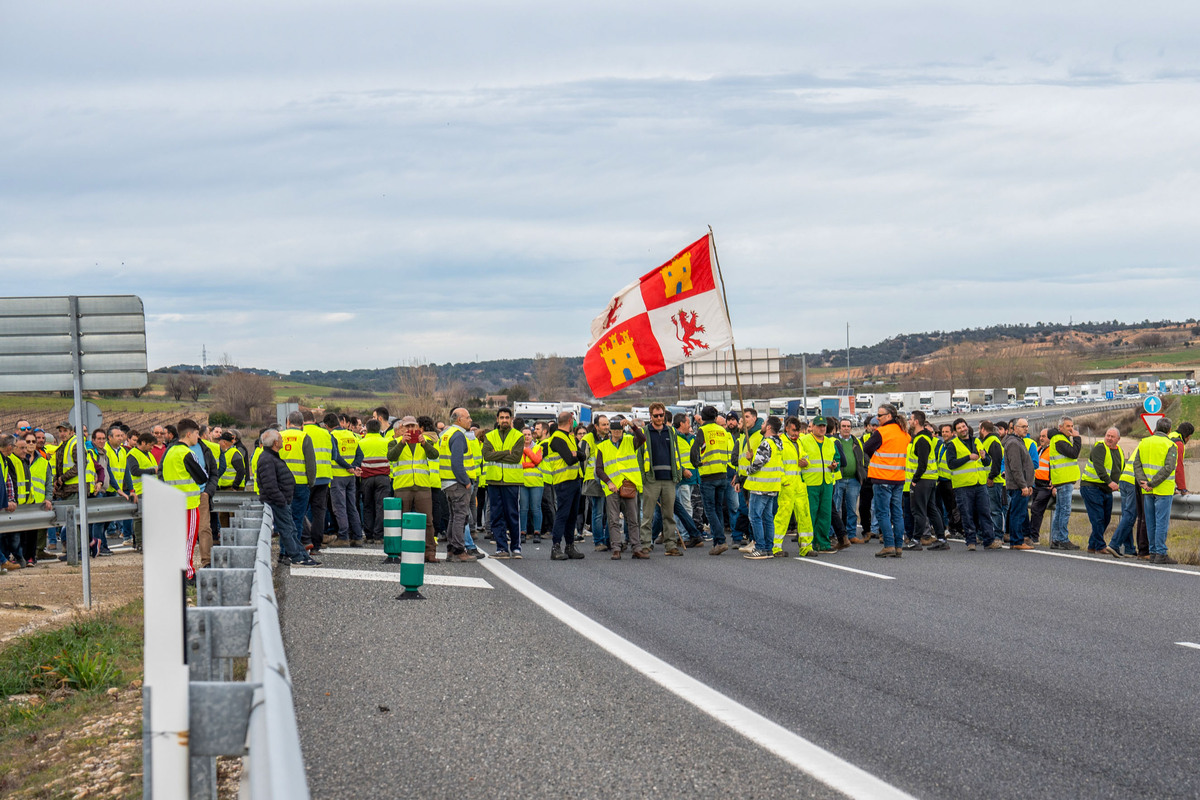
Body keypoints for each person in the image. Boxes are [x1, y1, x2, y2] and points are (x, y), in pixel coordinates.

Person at [256, 429, 318, 567]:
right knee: (287, 530)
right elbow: (270, 485)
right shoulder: (267, 459)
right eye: (280, 438)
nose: (283, 440)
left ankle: (301, 555)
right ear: (275, 442)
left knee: (292, 529)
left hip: (282, 501)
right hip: (278, 502)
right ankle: (296, 557)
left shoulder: (271, 457)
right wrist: (282, 501)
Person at [387, 416, 441, 563]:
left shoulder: (425, 441)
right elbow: (391, 457)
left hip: (422, 486)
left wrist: (424, 444)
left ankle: (430, 552)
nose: (410, 429)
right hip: (403, 486)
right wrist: (402, 444)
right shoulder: (394, 442)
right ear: (402, 428)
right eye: (407, 426)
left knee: (428, 520)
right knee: (402, 520)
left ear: (418, 428)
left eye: (413, 426)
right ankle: (401, 551)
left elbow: (434, 455)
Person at [637, 403, 687, 557]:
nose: (659, 418)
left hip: (669, 479)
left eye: (661, 415)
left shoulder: (671, 431)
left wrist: (678, 474)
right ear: (650, 416)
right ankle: (645, 544)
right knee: (647, 515)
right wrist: (644, 476)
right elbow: (640, 456)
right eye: (656, 415)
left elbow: (676, 453)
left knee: (669, 514)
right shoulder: (644, 432)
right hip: (651, 479)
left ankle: (670, 545)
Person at [692, 406, 741, 555]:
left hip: (708, 475)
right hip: (722, 473)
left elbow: (694, 452)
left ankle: (720, 540)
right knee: (718, 508)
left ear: (703, 417)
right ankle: (717, 542)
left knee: (710, 509)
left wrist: (697, 464)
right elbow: (731, 453)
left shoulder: (703, 430)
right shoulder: (723, 431)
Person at [595, 416, 646, 558]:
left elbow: (642, 438)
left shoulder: (630, 440)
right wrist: (608, 482)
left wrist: (632, 425)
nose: (617, 432)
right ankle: (616, 548)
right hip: (612, 487)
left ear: (623, 429)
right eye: (614, 429)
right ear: (610, 430)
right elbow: (599, 469)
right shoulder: (602, 447)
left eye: (620, 429)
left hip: (629, 484)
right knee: (613, 520)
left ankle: (636, 548)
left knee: (633, 519)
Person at [864, 405, 909, 557]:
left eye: (880, 415)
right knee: (897, 513)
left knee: (883, 513)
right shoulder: (904, 433)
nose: (877, 418)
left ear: (889, 416)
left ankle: (888, 545)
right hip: (898, 478)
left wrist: (877, 456)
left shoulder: (881, 432)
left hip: (882, 477)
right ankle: (898, 546)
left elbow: (867, 447)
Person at [945, 418, 996, 551]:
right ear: (956, 432)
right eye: (959, 428)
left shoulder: (977, 441)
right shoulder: (952, 445)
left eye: (964, 426)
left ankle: (989, 540)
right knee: (967, 514)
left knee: (985, 512)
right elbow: (951, 464)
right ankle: (971, 541)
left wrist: (984, 457)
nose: (963, 429)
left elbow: (987, 462)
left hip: (979, 483)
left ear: (967, 427)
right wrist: (968, 457)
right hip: (963, 485)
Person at [1133, 416, 1179, 564]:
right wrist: (1152, 483)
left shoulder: (1144, 443)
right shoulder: (1171, 445)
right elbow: (1169, 468)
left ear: (1156, 428)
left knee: (1151, 522)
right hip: (1163, 490)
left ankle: (1152, 552)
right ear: (1169, 430)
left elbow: (1137, 464)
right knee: (1161, 522)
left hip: (1147, 490)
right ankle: (1161, 553)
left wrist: (1144, 483)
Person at [483, 408, 525, 557]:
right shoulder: (489, 436)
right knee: (496, 515)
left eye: (507, 417)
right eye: (502, 417)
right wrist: (506, 452)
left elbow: (516, 457)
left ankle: (516, 547)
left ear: (511, 419)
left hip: (511, 481)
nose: (504, 420)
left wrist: (497, 454)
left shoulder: (518, 436)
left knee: (512, 515)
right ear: (497, 419)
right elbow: (487, 456)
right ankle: (501, 548)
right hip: (494, 480)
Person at [438, 408, 477, 562]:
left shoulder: (445, 434)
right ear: (459, 419)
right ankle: (458, 550)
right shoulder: (458, 435)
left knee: (454, 517)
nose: (470, 420)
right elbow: (457, 463)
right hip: (457, 483)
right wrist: (466, 482)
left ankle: (451, 549)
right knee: (461, 516)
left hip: (447, 482)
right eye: (468, 417)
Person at [544, 411, 585, 560]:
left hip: (575, 480)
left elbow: (583, 455)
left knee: (572, 516)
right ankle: (556, 547)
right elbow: (569, 459)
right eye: (573, 420)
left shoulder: (570, 437)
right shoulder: (557, 438)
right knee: (562, 515)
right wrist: (575, 455)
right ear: (570, 420)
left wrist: (576, 454)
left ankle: (570, 546)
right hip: (563, 481)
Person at [742, 415, 784, 560]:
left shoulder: (766, 443)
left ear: (769, 427)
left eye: (764, 423)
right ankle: (768, 548)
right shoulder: (779, 443)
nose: (762, 425)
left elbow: (758, 464)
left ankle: (760, 547)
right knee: (767, 518)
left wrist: (748, 467)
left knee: (755, 516)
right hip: (772, 486)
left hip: (761, 486)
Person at [773, 416, 814, 557]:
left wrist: (805, 462)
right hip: (787, 486)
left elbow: (805, 457)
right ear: (787, 428)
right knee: (782, 517)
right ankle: (776, 547)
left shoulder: (798, 443)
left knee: (804, 516)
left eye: (798, 431)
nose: (796, 433)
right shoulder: (780, 443)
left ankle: (806, 547)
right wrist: (784, 481)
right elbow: (777, 464)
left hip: (799, 485)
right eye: (794, 430)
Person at [905, 412, 944, 552]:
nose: (909, 421)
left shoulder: (921, 439)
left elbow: (922, 463)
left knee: (919, 511)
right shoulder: (925, 438)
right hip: (930, 479)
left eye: (910, 419)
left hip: (923, 480)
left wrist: (914, 480)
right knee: (931, 510)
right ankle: (941, 539)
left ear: (916, 422)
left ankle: (916, 540)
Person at [801, 416, 840, 552]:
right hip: (810, 482)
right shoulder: (804, 440)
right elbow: (797, 458)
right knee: (810, 514)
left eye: (824, 426)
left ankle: (823, 543)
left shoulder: (830, 442)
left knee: (825, 514)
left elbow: (837, 459)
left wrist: (836, 465)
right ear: (812, 427)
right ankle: (808, 543)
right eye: (819, 426)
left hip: (827, 482)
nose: (822, 428)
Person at [280, 411, 318, 552]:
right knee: (297, 518)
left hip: (282, 485)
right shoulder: (305, 437)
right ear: (302, 424)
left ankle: (284, 551)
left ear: (288, 423)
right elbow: (311, 463)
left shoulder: (279, 436)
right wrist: (311, 482)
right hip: (301, 484)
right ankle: (295, 550)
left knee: (284, 518)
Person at [1081, 427, 1122, 554]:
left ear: (1118, 439)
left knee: (1106, 518)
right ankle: (1100, 546)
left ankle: (1092, 545)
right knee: (1098, 518)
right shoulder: (1100, 447)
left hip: (1106, 490)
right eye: (1107, 435)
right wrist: (1110, 482)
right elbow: (1099, 468)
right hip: (1091, 487)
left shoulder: (1119, 451)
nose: (1109, 438)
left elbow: (1119, 469)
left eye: (1112, 436)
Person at [327, 413, 364, 546]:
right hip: (350, 477)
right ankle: (358, 536)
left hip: (337, 476)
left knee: (340, 508)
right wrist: (353, 467)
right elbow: (360, 455)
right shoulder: (351, 435)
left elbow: (335, 456)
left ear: (327, 426)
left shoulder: (332, 436)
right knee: (352, 506)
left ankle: (343, 537)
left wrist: (348, 467)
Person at [1046, 417, 1082, 550]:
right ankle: (1062, 539)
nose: (1071, 429)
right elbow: (1074, 453)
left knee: (1060, 510)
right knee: (1065, 510)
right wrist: (1077, 439)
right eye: (1068, 426)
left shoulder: (1059, 438)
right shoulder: (1059, 439)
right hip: (1064, 479)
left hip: (1062, 479)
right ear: (1060, 427)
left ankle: (1056, 539)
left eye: (1072, 426)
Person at [1002, 419, 1035, 550]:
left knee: (1019, 513)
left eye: (1027, 426)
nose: (1026, 429)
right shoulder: (1013, 443)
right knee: (1018, 514)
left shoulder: (1018, 441)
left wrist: (1029, 484)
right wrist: (1023, 486)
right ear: (1015, 428)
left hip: (1022, 485)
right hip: (1018, 486)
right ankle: (1016, 541)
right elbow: (1016, 467)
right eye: (1022, 427)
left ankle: (1017, 540)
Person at [357, 419, 391, 542]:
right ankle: (378, 535)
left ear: (367, 429)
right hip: (383, 478)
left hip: (366, 478)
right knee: (380, 506)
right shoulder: (386, 442)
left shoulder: (361, 442)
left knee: (367, 506)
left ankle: (369, 535)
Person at [834, 418, 866, 544]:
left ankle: (851, 534)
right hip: (838, 479)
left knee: (852, 509)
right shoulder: (835, 441)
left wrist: (863, 474)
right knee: (836, 509)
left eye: (848, 426)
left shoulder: (856, 442)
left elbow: (863, 459)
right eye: (844, 426)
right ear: (839, 427)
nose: (846, 428)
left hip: (854, 480)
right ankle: (835, 535)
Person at [979, 420, 1007, 541]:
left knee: (995, 510)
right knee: (988, 510)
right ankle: (987, 534)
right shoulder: (988, 441)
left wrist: (991, 476)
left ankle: (997, 536)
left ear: (983, 429)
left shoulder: (993, 442)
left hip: (993, 481)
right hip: (987, 480)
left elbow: (996, 461)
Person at [518, 428, 545, 553]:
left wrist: (526, 451)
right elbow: (518, 464)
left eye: (529, 434)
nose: (527, 437)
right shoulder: (517, 447)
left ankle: (537, 532)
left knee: (536, 508)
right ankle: (522, 532)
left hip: (536, 482)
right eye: (525, 435)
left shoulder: (537, 447)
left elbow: (538, 460)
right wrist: (531, 464)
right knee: (523, 508)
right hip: (522, 481)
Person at [1028, 427, 1055, 542]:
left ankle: (1034, 537)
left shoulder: (1053, 451)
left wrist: (1054, 483)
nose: (1041, 438)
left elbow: (1056, 468)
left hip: (1046, 487)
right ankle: (1029, 535)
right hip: (1036, 485)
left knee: (1036, 508)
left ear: (1050, 438)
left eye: (1044, 436)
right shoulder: (1039, 449)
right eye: (1040, 436)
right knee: (1033, 509)